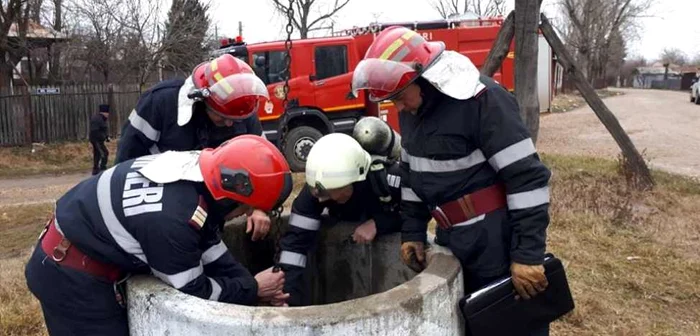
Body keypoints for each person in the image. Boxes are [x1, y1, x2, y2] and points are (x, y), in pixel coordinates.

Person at [351, 26, 553, 336]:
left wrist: (527, 255)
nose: (398, 108)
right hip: (452, 238)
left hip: (494, 239)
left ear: (422, 77)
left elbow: (527, 180)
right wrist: (414, 232)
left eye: (400, 97)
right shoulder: (412, 111)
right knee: (471, 323)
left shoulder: (482, 101)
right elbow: (411, 176)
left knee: (510, 325)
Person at [25, 134, 294, 336]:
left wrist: (246, 283)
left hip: (74, 258)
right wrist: (253, 288)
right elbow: (193, 290)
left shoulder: (193, 171)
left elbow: (209, 244)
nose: (243, 214)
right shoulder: (173, 220)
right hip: (71, 281)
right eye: (247, 209)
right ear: (232, 196)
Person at [115, 54, 273, 242]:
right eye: (221, 117)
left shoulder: (242, 108)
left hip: (213, 213)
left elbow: (263, 166)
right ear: (202, 100)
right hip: (162, 208)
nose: (230, 123)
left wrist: (258, 207)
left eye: (236, 119)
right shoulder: (160, 103)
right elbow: (125, 163)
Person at [277, 132, 403, 306]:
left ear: (352, 181)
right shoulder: (317, 188)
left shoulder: (387, 179)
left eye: (328, 193)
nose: (321, 199)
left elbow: (419, 214)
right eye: (317, 192)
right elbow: (295, 244)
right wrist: (286, 296)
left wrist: (379, 224)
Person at [89, 104, 110, 175]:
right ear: (105, 112)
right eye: (107, 113)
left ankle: (96, 169)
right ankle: (102, 168)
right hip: (96, 140)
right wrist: (102, 137)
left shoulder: (100, 118)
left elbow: (103, 129)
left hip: (97, 139)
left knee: (97, 154)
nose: (108, 115)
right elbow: (95, 130)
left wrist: (106, 137)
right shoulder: (98, 119)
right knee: (104, 153)